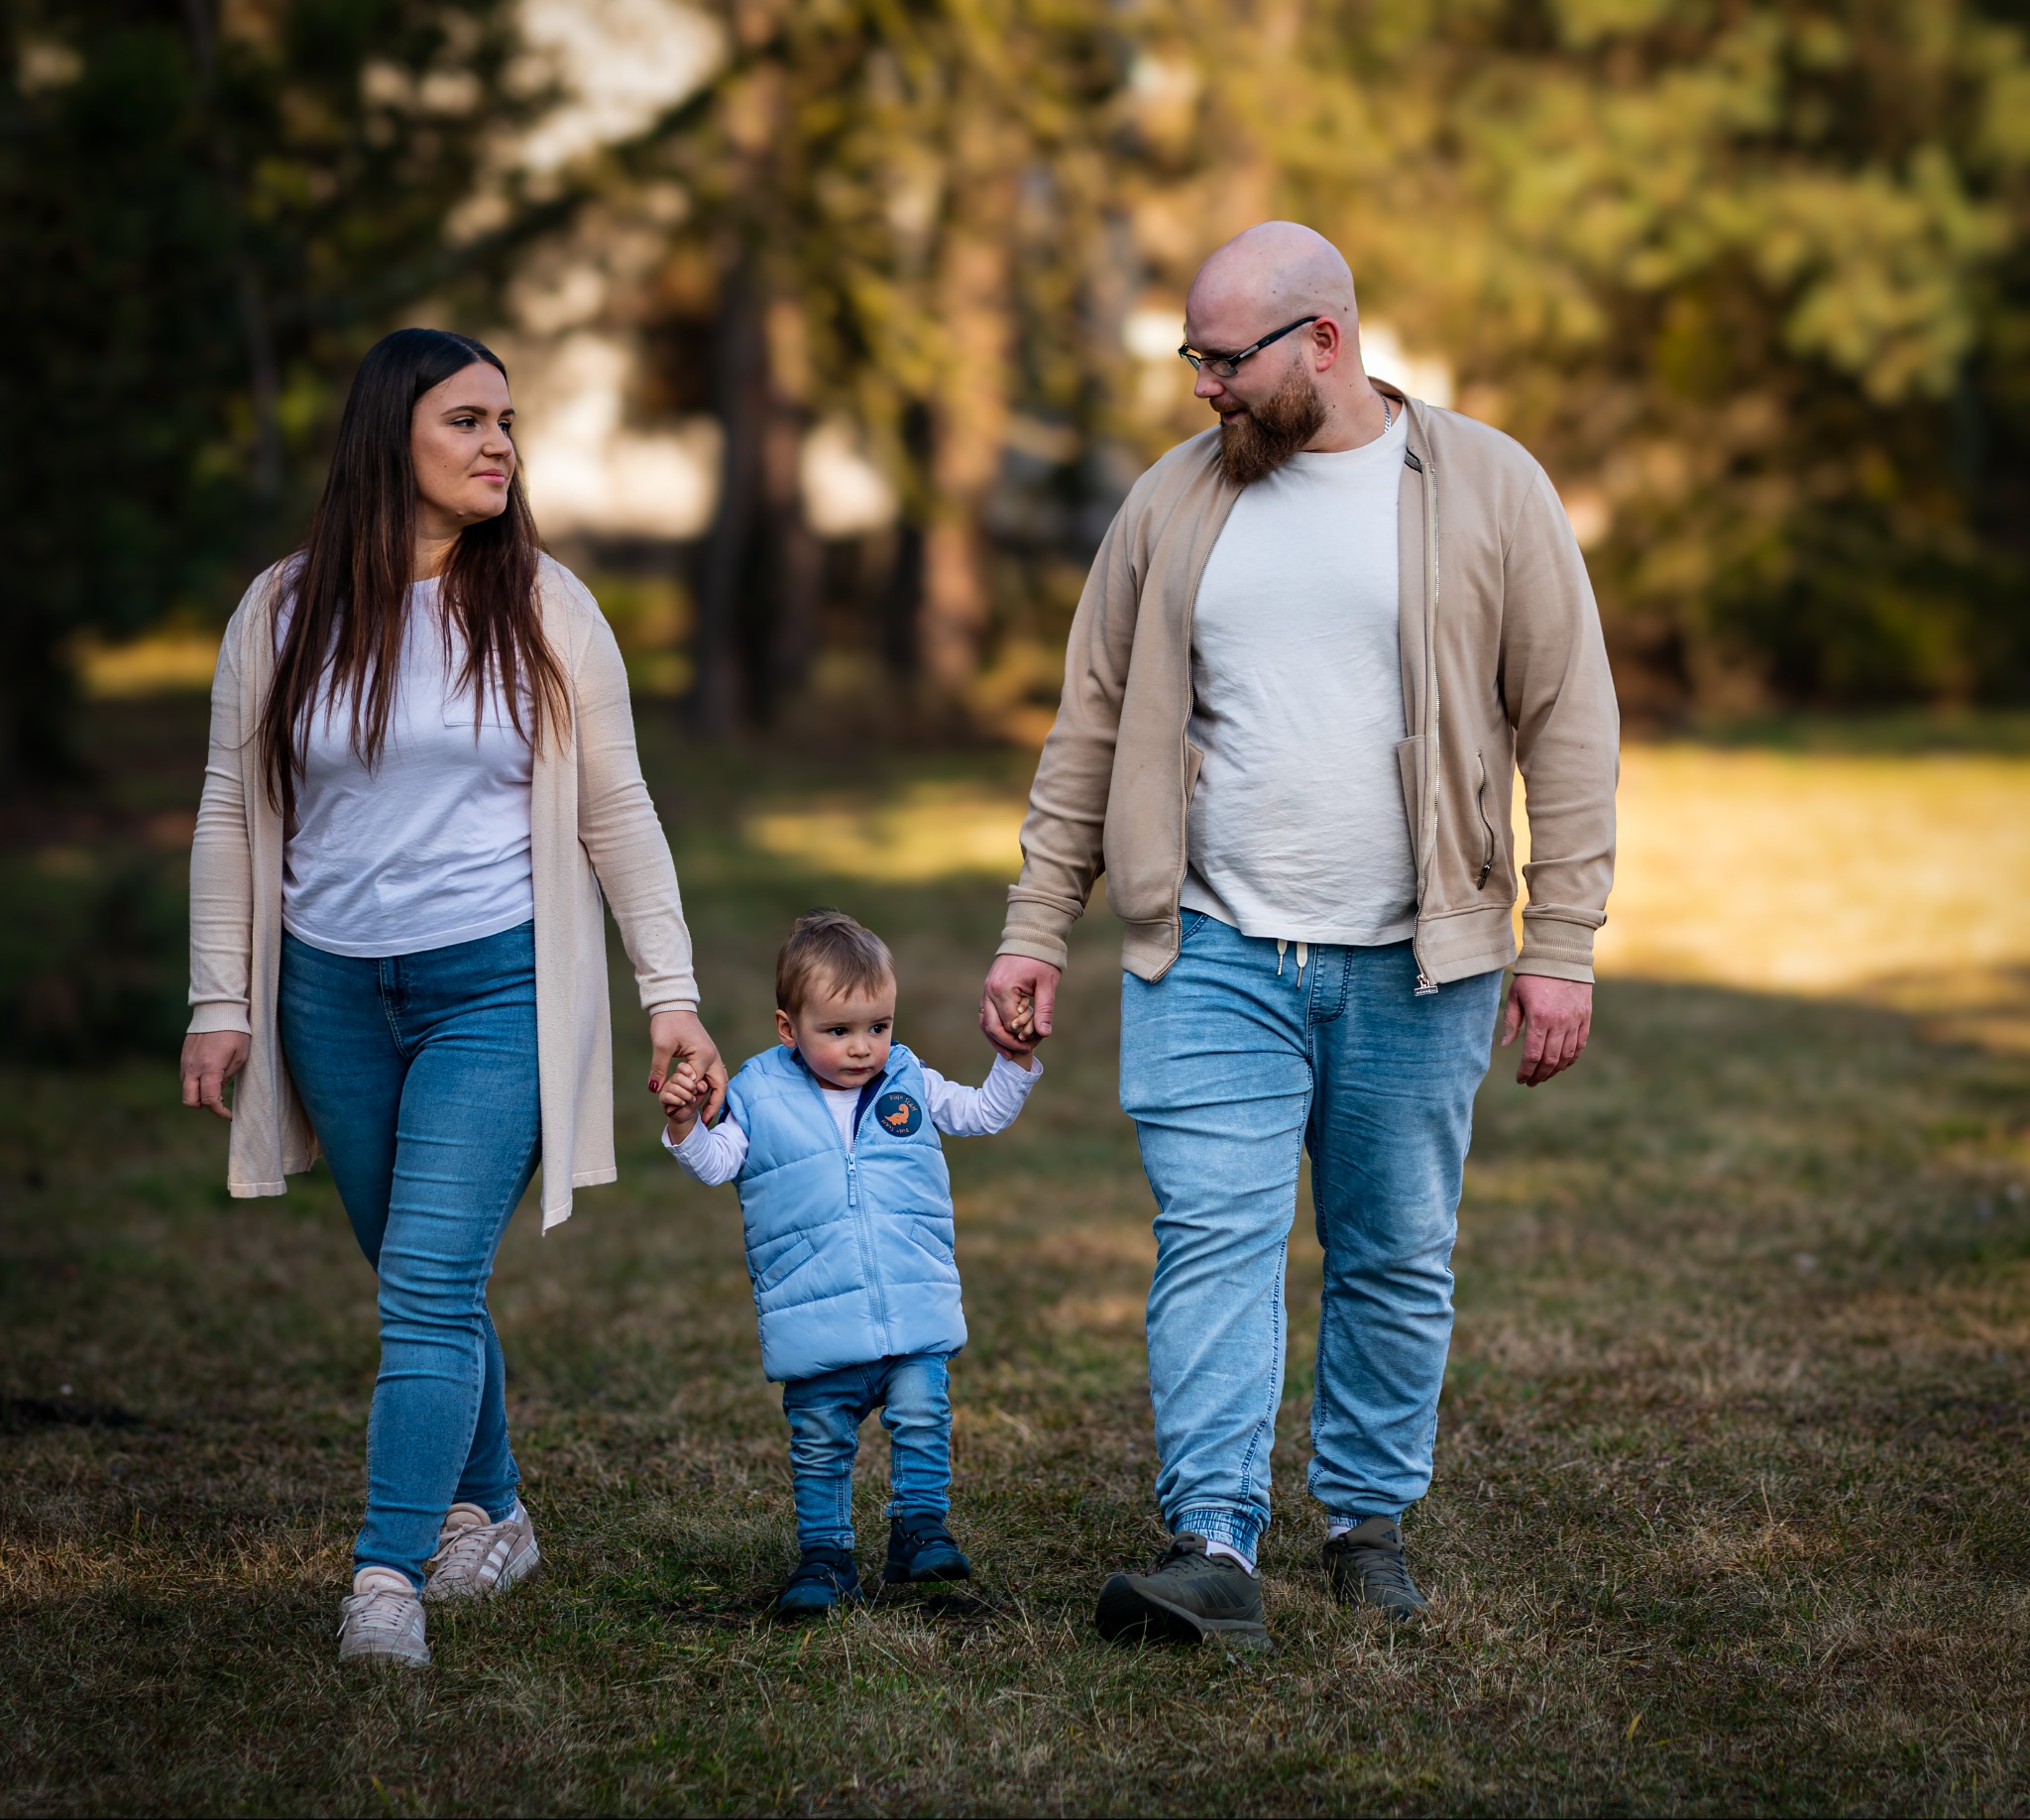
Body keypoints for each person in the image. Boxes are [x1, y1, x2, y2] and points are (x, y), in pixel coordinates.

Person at [979, 223, 1619, 1649]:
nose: (1201, 386)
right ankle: (1213, 1536)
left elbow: (1569, 719)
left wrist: (1561, 940)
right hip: (1211, 944)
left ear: (1323, 342)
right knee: (1214, 1236)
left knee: (1393, 1247)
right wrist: (1038, 922)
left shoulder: (1487, 486)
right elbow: (1089, 721)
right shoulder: (1171, 503)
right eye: (1190, 356)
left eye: (1224, 357)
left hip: (1418, 954)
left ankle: (1366, 1513)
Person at [179, 327, 728, 1668]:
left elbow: (617, 809)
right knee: (422, 1276)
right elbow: (227, 807)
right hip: (331, 998)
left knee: (424, 1287)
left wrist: (672, 993)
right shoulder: (281, 609)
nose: (501, 445)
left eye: (507, 422)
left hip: (495, 991)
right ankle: (497, 1507)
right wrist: (217, 999)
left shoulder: (546, 605)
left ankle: (386, 1582)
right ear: (391, 440)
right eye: (468, 422)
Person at [660, 910, 1040, 1617]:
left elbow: (982, 1113)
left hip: (910, 1310)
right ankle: (827, 1557)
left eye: (878, 1026)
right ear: (787, 1028)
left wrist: (1012, 1059)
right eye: (837, 1032)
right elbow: (717, 1164)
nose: (863, 1048)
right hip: (816, 1320)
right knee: (819, 1444)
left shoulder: (908, 1081)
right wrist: (686, 1125)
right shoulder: (757, 1095)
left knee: (925, 1415)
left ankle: (919, 1530)